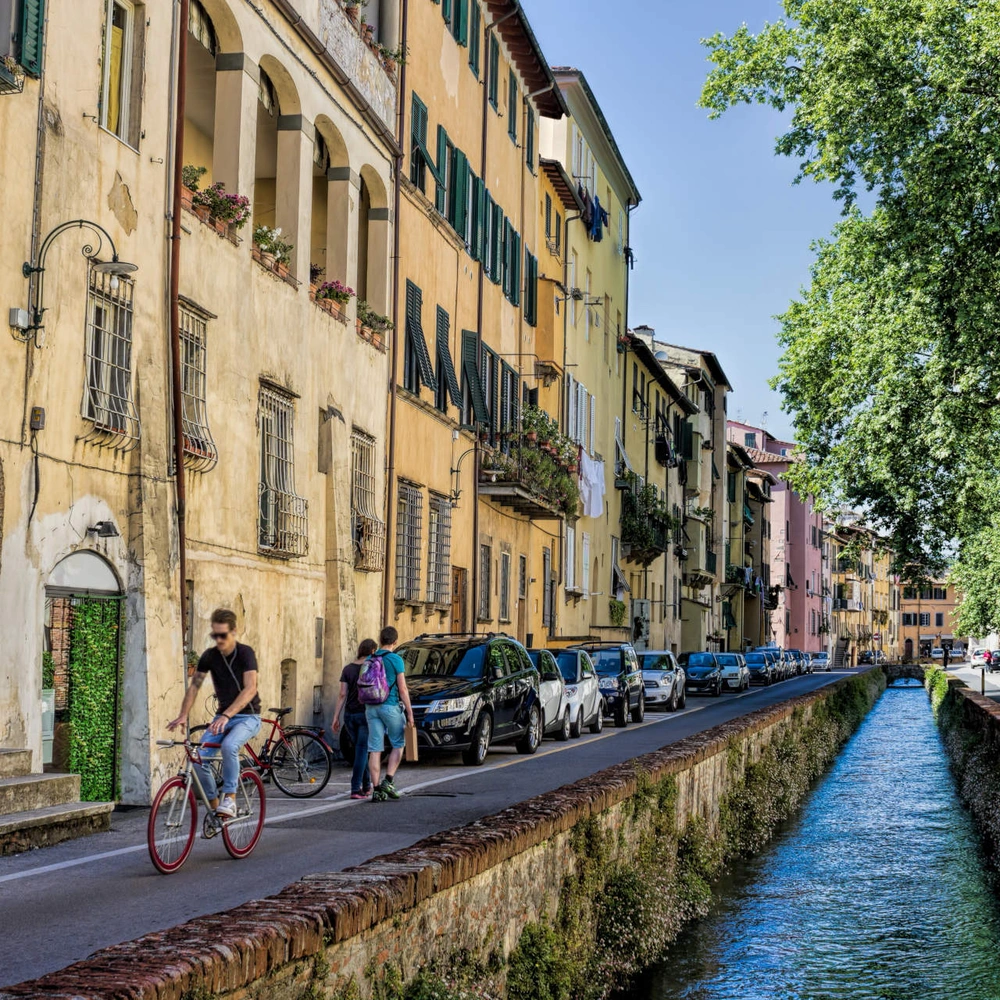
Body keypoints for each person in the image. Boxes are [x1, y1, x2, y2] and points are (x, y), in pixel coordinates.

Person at [167, 608, 262, 819]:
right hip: (223, 717)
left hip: (248, 717)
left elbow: (250, 688)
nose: (218, 640)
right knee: (198, 758)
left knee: (229, 746)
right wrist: (183, 714)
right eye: (215, 635)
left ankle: (230, 798)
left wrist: (227, 715)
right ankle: (215, 807)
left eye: (223, 635)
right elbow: (194, 687)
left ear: (233, 631)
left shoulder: (245, 653)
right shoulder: (209, 656)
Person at [365, 626, 414, 802]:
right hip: (390, 706)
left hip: (371, 707)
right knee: (398, 743)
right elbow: (403, 689)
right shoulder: (396, 659)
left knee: (375, 749)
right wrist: (410, 713)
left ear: (380, 640)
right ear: (395, 642)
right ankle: (389, 780)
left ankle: (376, 789)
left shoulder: (370, 658)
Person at [332, 638, 377, 800]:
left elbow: (342, 694)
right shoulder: (372, 667)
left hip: (349, 715)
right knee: (361, 751)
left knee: (360, 750)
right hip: (365, 713)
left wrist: (336, 717)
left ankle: (366, 785)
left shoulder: (347, 669)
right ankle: (355, 788)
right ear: (372, 651)